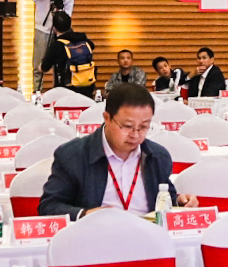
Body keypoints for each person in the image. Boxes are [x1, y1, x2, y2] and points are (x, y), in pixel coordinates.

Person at [39, 82, 177, 217]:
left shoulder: (158, 157)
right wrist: (85, 214)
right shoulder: (73, 156)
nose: (135, 135)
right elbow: (49, 206)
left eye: (143, 127)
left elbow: (167, 200)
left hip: (147, 229)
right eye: (127, 126)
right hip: (95, 229)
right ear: (107, 118)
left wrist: (179, 201)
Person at [31, 0, 88, 68]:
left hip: (59, 32)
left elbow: (68, 15)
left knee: (59, 63)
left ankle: (58, 79)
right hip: (42, 29)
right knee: (39, 63)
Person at [38, 11, 97, 95]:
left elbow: (44, 67)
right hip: (87, 89)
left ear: (54, 28)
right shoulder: (83, 40)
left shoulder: (57, 45)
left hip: (66, 91)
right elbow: (92, 46)